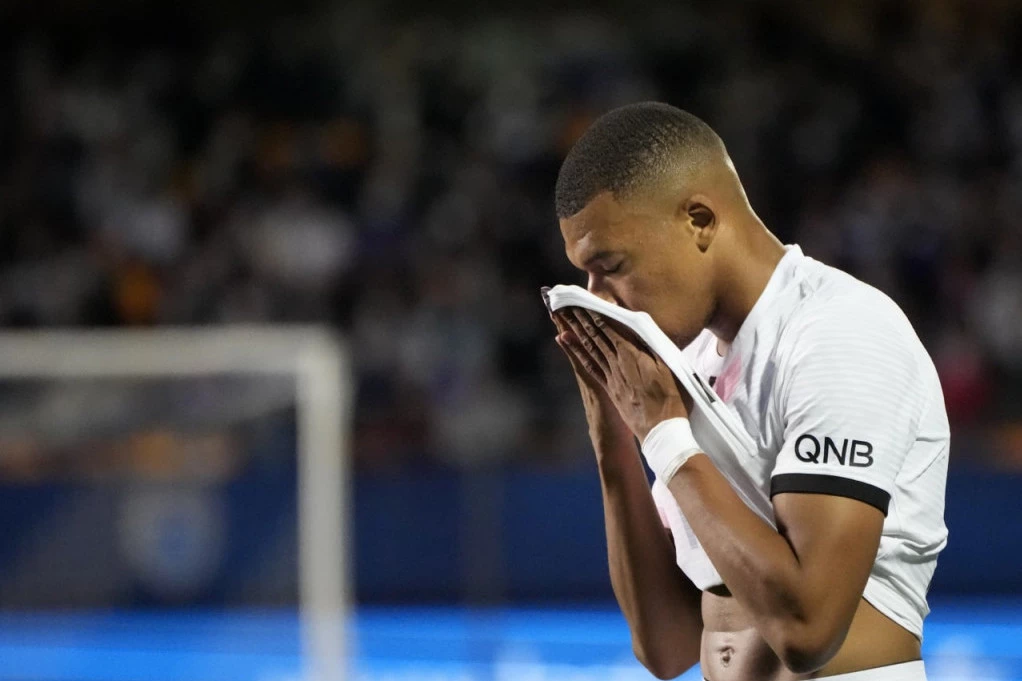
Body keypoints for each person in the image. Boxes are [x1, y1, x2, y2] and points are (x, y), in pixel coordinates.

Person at [544, 102, 948, 681]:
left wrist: (664, 435)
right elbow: (668, 646)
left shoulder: (840, 332)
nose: (598, 297)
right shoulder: (688, 363)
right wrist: (614, 438)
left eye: (611, 266)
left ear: (700, 220)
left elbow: (808, 631)